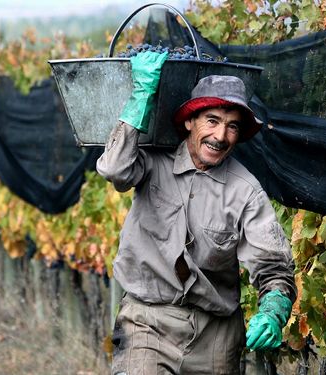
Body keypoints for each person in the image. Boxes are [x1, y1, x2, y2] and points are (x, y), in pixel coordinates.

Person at [97, 52, 296, 374]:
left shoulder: (245, 191)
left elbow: (273, 265)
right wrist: (140, 97)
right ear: (190, 121)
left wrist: (274, 309)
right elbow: (114, 169)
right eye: (213, 121)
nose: (220, 136)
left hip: (215, 333)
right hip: (147, 320)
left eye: (232, 127)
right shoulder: (152, 162)